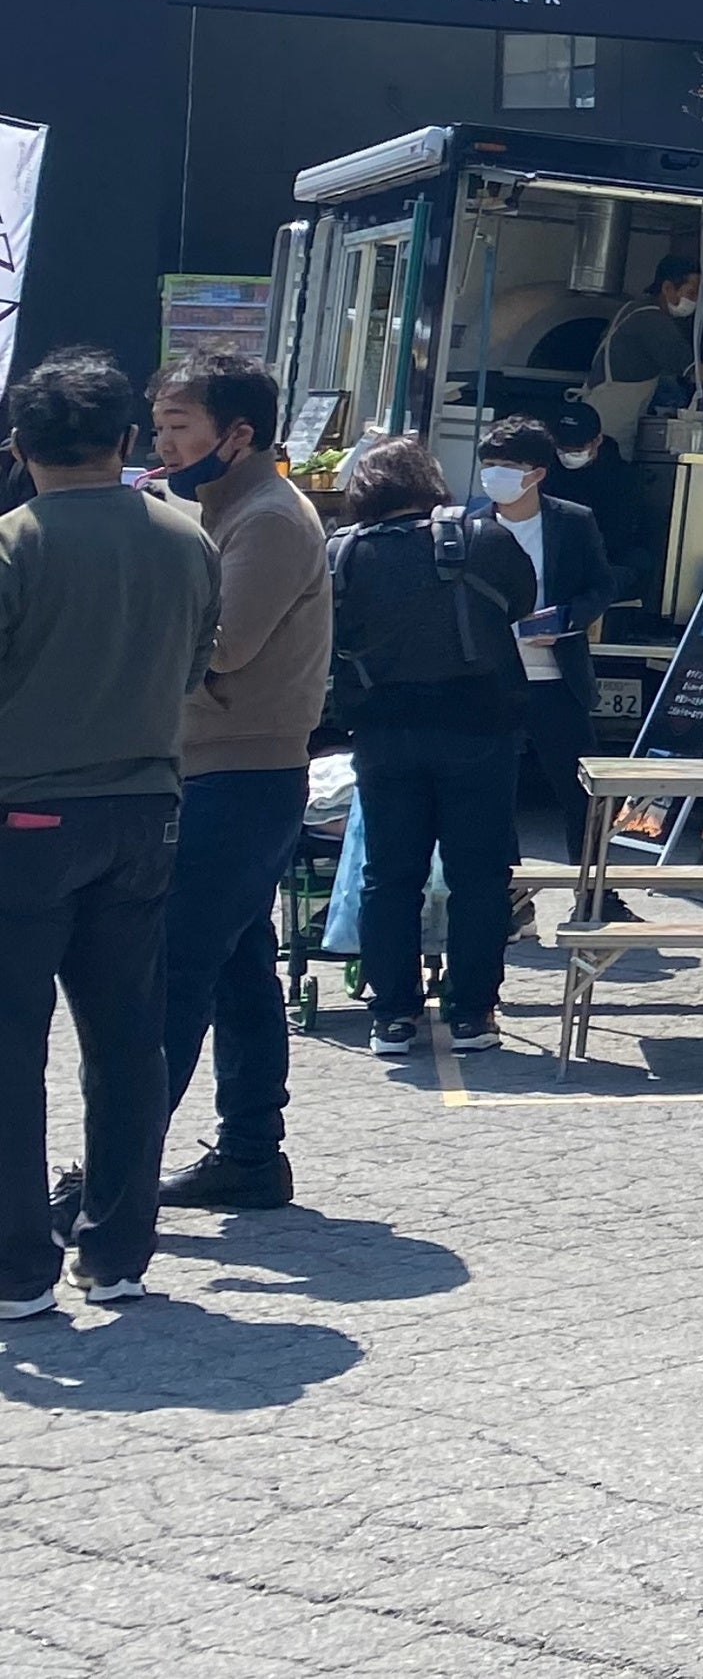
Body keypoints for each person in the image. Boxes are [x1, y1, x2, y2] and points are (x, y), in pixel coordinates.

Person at [0, 350, 221, 1315]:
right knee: (128, 1038)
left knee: (11, 1047)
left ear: (19, 446)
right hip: (147, 808)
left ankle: (17, 1269)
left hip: (24, 813)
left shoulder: (14, 543)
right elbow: (190, 670)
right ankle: (118, 1249)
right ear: (127, 441)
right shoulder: (189, 540)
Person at [144, 352, 331, 1210]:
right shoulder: (225, 506)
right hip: (223, 769)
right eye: (159, 428)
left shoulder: (266, 517)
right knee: (238, 967)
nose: (164, 445)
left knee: (176, 971)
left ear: (239, 432)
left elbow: (223, 645)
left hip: (241, 774)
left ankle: (117, 1173)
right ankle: (252, 1151)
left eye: (180, 427)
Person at [331, 437, 541, 1055]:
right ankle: (473, 1012)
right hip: (480, 726)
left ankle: (392, 1015)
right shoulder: (484, 538)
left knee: (389, 875)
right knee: (480, 873)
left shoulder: (341, 553)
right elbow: (523, 604)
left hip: (382, 731)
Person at [475, 417, 612, 871]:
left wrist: (569, 620)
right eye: (489, 464)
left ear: (536, 473)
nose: (495, 475)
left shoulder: (573, 522)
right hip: (490, 681)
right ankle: (507, 893)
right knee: (492, 793)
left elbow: (600, 586)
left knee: (581, 790)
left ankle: (595, 890)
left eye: (507, 466)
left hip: (556, 677)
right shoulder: (468, 526)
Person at [543, 398, 650, 620]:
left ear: (597, 441)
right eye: (562, 448)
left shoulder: (622, 478)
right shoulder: (544, 469)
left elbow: (619, 534)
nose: (568, 455)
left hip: (602, 559)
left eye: (577, 449)